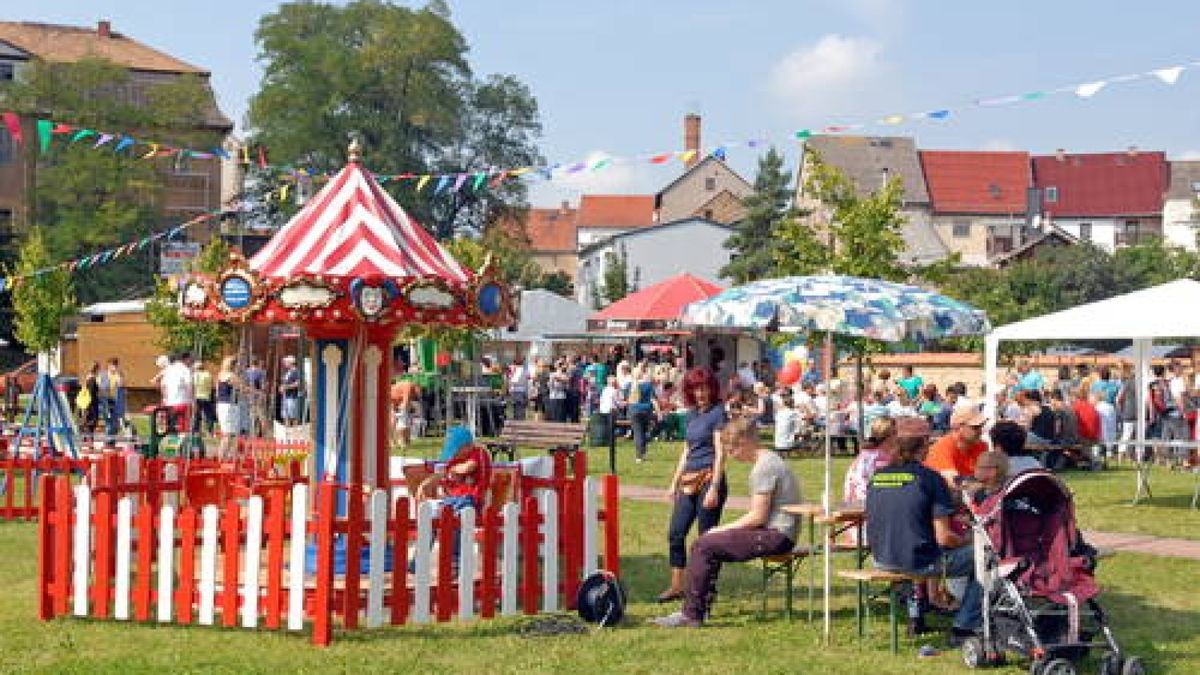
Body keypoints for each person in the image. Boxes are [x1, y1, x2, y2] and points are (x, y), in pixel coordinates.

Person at [652, 416, 800, 628]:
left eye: (731, 450)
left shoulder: (764, 468)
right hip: (778, 532)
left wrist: (721, 529)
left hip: (777, 536)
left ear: (745, 442)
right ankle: (700, 606)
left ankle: (692, 614)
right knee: (711, 542)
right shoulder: (770, 459)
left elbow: (758, 516)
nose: (730, 456)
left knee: (704, 544)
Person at [865, 425, 983, 643]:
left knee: (920, 550)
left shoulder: (877, 476)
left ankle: (918, 613)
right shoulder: (930, 478)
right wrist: (971, 539)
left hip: (881, 558)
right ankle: (964, 625)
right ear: (922, 448)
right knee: (987, 559)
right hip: (917, 561)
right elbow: (945, 537)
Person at [659, 367, 728, 603]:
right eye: (696, 388)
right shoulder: (690, 415)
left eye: (705, 387)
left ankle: (706, 590)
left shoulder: (719, 413)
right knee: (676, 533)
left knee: (706, 539)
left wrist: (715, 486)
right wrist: (673, 483)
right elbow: (686, 451)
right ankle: (677, 586)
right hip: (689, 481)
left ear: (712, 388)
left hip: (709, 479)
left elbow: (720, 452)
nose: (701, 393)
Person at [923, 406, 989, 488]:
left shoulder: (981, 445)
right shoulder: (942, 448)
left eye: (981, 426)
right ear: (958, 428)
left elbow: (989, 476)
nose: (980, 431)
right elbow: (954, 482)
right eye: (975, 427)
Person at [843, 415, 899, 506]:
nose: (898, 437)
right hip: (864, 504)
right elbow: (862, 486)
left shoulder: (891, 455)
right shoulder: (871, 457)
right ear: (887, 436)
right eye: (895, 433)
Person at [628, 369, 659, 463]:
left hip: (634, 411)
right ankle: (642, 454)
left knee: (638, 433)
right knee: (644, 432)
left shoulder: (631, 386)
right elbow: (653, 400)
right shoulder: (648, 385)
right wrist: (658, 411)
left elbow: (627, 399)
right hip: (646, 411)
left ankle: (640, 455)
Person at [215, 356, 241, 459]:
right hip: (230, 406)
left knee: (229, 434)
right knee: (229, 435)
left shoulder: (220, 375)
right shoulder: (231, 376)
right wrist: (257, 392)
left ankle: (224, 457)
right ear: (233, 365)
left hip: (221, 405)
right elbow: (242, 387)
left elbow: (217, 392)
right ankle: (221, 458)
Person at [161, 353, 194, 432]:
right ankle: (183, 442)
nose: (192, 362)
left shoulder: (169, 369)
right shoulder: (185, 370)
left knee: (170, 428)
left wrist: (165, 399)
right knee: (184, 429)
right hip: (183, 402)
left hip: (170, 403)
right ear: (186, 359)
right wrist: (193, 400)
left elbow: (163, 385)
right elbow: (189, 385)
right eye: (191, 360)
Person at [391, 371, 422, 451]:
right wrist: (404, 412)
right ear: (416, 387)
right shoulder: (408, 386)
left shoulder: (411, 390)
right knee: (400, 423)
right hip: (392, 399)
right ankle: (398, 442)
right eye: (419, 392)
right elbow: (405, 402)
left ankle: (403, 441)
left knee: (403, 422)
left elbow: (407, 402)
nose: (417, 395)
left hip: (396, 401)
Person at [99, 358, 126, 440]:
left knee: (115, 423)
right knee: (108, 421)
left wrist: (120, 377)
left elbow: (121, 385)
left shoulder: (117, 375)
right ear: (108, 365)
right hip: (105, 401)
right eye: (112, 365)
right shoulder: (103, 375)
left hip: (115, 401)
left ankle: (111, 440)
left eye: (115, 365)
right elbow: (101, 387)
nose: (114, 366)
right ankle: (109, 440)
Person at [192, 360, 216, 435]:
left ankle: (196, 430)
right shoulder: (208, 374)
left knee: (197, 415)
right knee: (208, 415)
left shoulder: (194, 375)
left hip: (197, 397)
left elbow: (193, 386)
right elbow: (212, 385)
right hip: (207, 396)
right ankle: (210, 430)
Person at [279, 355, 302, 426]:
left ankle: (295, 433)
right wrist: (281, 387)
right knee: (286, 416)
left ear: (291, 363)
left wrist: (286, 387)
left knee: (293, 416)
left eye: (286, 362)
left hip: (292, 397)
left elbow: (298, 383)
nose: (285, 363)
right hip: (286, 396)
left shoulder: (296, 371)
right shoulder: (287, 372)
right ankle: (287, 433)